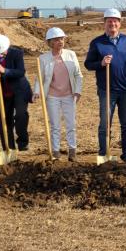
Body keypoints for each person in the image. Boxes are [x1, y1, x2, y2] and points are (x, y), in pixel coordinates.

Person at [84, 9, 126, 163]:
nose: (112, 24)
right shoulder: (96, 43)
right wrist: (101, 63)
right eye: (109, 21)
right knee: (105, 123)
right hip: (106, 90)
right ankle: (104, 153)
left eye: (115, 21)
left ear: (120, 23)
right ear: (104, 23)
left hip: (125, 90)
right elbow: (88, 64)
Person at [32, 27, 83, 161]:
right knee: (55, 125)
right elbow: (40, 78)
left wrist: (77, 91)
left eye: (62, 39)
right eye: (56, 40)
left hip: (69, 96)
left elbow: (78, 75)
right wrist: (37, 92)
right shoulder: (43, 58)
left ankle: (72, 152)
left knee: (71, 124)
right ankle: (55, 152)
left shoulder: (71, 55)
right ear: (50, 42)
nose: (60, 41)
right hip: (52, 96)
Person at [0, 33, 32, 153]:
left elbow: (20, 72)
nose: (0, 54)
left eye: (2, 51)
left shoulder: (17, 53)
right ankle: (9, 149)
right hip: (0, 94)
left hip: (19, 91)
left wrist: (5, 71)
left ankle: (23, 141)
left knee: (21, 115)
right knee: (3, 121)